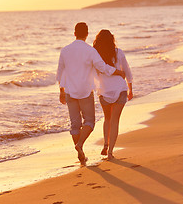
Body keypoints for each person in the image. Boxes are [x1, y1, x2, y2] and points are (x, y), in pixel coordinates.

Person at [56, 22, 125, 166]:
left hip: (69, 91)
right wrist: (117, 71)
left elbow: (60, 72)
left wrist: (61, 91)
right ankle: (80, 144)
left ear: (74, 33)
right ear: (87, 34)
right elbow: (102, 67)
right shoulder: (90, 51)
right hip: (86, 91)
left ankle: (81, 154)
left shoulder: (65, 50)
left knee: (75, 125)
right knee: (89, 122)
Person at [93, 29, 133, 160]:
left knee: (107, 119)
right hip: (120, 89)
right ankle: (110, 152)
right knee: (115, 121)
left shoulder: (96, 55)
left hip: (104, 91)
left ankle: (105, 144)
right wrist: (130, 88)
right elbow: (127, 71)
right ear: (112, 39)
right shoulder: (118, 52)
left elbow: (92, 73)